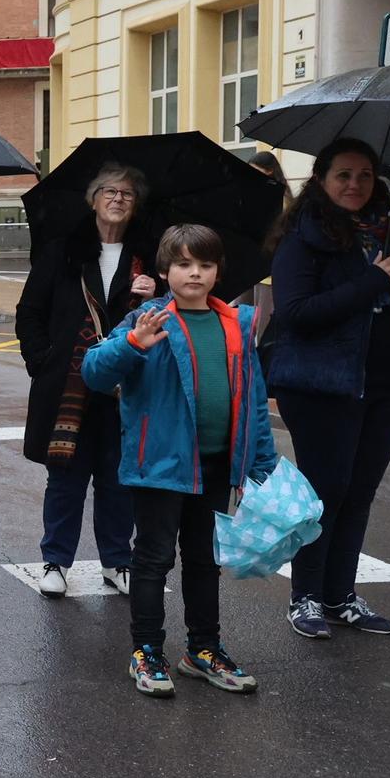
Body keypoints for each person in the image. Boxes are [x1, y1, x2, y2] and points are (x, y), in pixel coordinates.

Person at [83, 225, 276, 699]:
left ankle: (203, 649)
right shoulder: (148, 320)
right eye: (185, 264)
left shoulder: (236, 323)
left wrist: (261, 465)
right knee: (152, 559)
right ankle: (147, 649)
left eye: (205, 265)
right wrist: (129, 345)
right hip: (160, 466)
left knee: (204, 560)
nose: (195, 273)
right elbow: (93, 372)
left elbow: (252, 399)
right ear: (165, 271)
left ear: (217, 273)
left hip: (214, 466)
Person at [268, 139, 390, 638]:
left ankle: (341, 596)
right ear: (321, 178)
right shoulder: (303, 238)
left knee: (360, 492)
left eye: (365, 175)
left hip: (384, 380)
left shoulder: (389, 232)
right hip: (323, 384)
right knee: (327, 492)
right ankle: (306, 598)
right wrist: (371, 283)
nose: (355, 185)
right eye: (344, 174)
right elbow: (297, 313)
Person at [14, 164, 158, 597]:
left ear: (135, 207)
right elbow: (30, 312)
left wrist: (158, 296)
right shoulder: (64, 251)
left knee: (119, 478)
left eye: (127, 194)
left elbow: (172, 319)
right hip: (68, 385)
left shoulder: (150, 257)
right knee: (66, 477)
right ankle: (55, 561)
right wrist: (42, 360)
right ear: (93, 200)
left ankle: (117, 561)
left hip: (129, 385)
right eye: (109, 191)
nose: (117, 199)